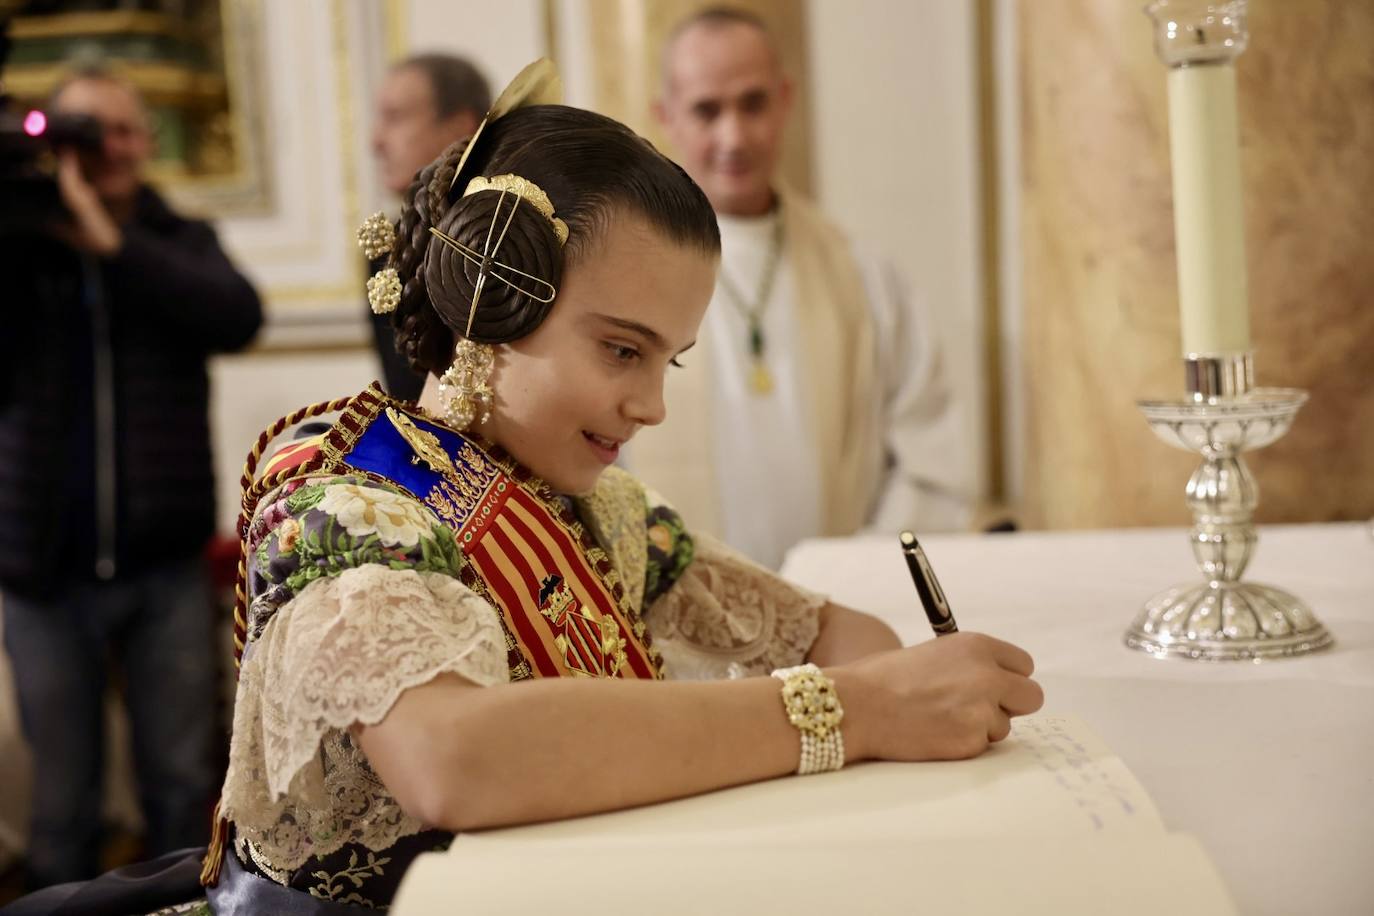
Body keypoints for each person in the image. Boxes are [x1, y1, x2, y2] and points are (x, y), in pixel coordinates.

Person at [0, 66, 263, 891]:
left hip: (163, 565)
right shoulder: (17, 249)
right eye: (83, 130)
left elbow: (237, 314)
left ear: (148, 141)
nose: (105, 148)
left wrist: (116, 249)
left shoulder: (176, 240)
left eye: (120, 129)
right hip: (41, 573)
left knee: (183, 785)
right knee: (63, 806)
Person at [625, 7, 970, 568]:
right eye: (707, 110)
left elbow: (929, 461)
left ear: (786, 100)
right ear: (666, 116)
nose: (733, 136)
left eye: (753, 103)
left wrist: (859, 576)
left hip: (845, 609)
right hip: (674, 617)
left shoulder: (864, 276)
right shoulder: (624, 281)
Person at [368, 53, 490, 401]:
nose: (375, 141)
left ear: (460, 127)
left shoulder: (516, 235)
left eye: (396, 118)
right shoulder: (391, 243)